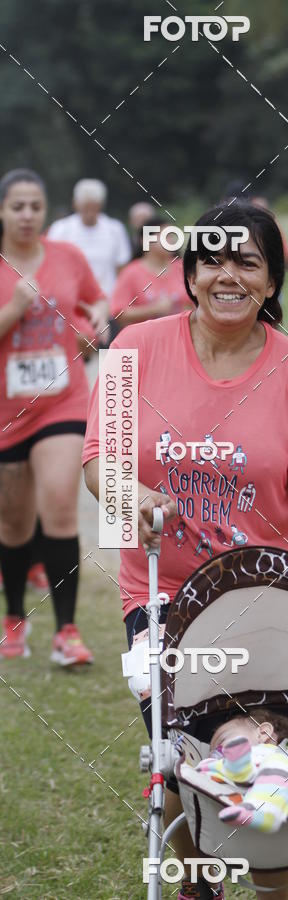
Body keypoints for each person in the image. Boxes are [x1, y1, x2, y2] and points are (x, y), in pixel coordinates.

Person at [82, 201, 288, 900]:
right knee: (187, 771)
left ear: (272, 281)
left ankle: (266, 885)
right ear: (188, 274)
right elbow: (102, 461)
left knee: (268, 790)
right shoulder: (135, 351)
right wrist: (138, 500)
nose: (228, 275)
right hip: (165, 601)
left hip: (271, 603)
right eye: (212, 258)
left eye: (247, 261)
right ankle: (199, 882)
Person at [0, 168, 104, 662]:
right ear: (2, 210)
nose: (26, 215)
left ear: (45, 211)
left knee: (61, 501)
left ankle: (67, 631)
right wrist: (12, 309)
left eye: (35, 206)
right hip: (5, 413)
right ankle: (14, 618)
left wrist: (97, 317)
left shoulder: (67, 256)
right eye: (17, 206)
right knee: (14, 524)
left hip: (62, 401)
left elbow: (93, 297)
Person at [196, 710, 288, 833]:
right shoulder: (221, 761)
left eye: (224, 742)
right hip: (233, 786)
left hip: (277, 786)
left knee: (278, 761)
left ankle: (266, 812)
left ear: (263, 733)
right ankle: (242, 771)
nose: (218, 752)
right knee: (208, 766)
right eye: (214, 752)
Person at [47, 178, 130, 299]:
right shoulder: (61, 229)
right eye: (86, 207)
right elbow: (52, 265)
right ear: (76, 204)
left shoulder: (115, 229)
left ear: (100, 205)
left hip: (107, 299)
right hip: (71, 300)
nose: (90, 213)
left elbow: (122, 267)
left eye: (94, 207)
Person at [109, 217, 192, 331]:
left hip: (181, 338)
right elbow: (119, 313)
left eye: (171, 236)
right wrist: (154, 309)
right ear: (145, 240)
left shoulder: (183, 268)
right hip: (143, 341)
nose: (171, 241)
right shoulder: (131, 273)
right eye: (165, 236)